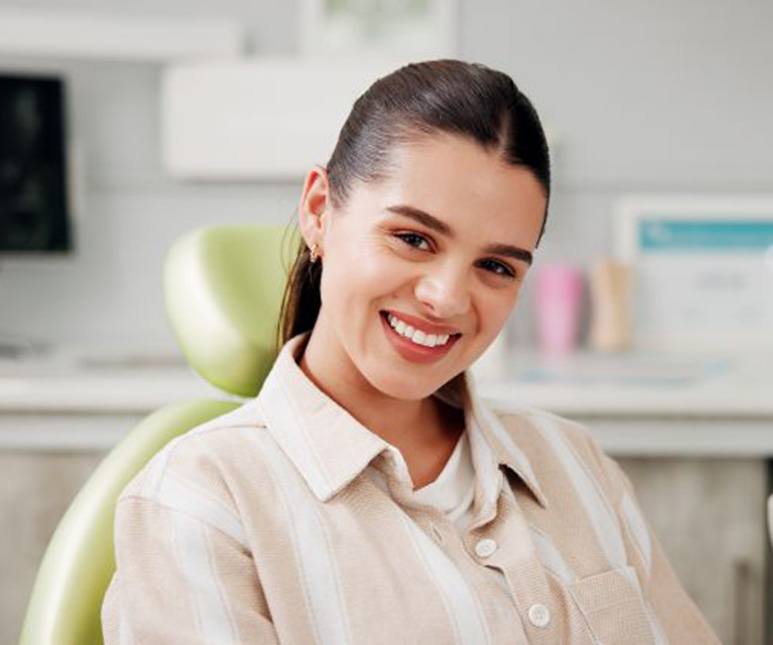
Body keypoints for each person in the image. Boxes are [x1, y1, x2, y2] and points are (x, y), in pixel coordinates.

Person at [101, 59, 719, 644]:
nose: (448, 298)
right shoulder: (202, 501)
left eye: (496, 266)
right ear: (319, 211)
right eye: (413, 238)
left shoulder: (575, 463)